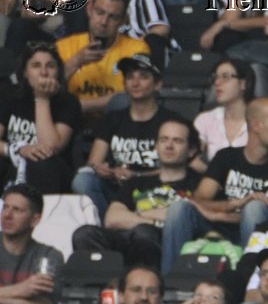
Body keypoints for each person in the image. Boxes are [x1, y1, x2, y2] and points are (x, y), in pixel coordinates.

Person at [162, 98, 268, 275]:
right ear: (256, 126)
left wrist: (221, 214)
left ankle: (249, 281)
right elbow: (199, 200)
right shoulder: (226, 157)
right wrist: (235, 205)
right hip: (218, 227)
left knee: (254, 208)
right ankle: (170, 281)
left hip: (257, 232)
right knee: (179, 208)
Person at [75, 117, 203, 269]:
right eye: (163, 140)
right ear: (156, 146)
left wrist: (140, 214)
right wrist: (156, 220)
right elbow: (112, 219)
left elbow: (187, 218)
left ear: (191, 150)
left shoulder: (200, 184)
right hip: (129, 238)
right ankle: (106, 286)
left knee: (143, 233)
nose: (169, 146)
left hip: (164, 244)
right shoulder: (138, 181)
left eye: (177, 141)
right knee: (85, 233)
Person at [71, 54, 184, 218]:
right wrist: (102, 169)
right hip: (115, 189)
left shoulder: (171, 122)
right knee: (83, 179)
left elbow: (177, 170)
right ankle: (105, 228)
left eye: (143, 77)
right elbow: (94, 161)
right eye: (130, 77)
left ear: (158, 84)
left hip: (154, 191)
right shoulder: (112, 119)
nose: (135, 83)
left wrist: (137, 176)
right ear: (124, 84)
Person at [0, 43, 82, 195]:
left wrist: (42, 99)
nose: (44, 72)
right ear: (25, 72)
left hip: (51, 172)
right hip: (12, 166)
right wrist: (18, 150)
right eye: (36, 66)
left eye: (50, 66)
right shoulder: (10, 96)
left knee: (41, 161)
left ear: (58, 72)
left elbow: (50, 148)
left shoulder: (68, 102)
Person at [57, 0, 149, 117]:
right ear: (89, 10)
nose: (104, 22)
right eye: (100, 12)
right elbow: (48, 88)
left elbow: (133, 95)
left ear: (123, 21)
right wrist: (76, 61)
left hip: (116, 122)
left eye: (113, 17)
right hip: (70, 122)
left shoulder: (137, 49)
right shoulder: (64, 46)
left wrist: (80, 106)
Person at [0, 184, 63, 304]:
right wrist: (21, 289)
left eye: (17, 210)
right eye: (5, 207)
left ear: (35, 219)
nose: (7, 215)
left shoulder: (49, 256)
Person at [193, 58, 253, 163]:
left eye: (226, 77)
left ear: (243, 83)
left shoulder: (259, 119)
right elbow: (193, 157)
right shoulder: (206, 119)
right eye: (215, 77)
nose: (217, 82)